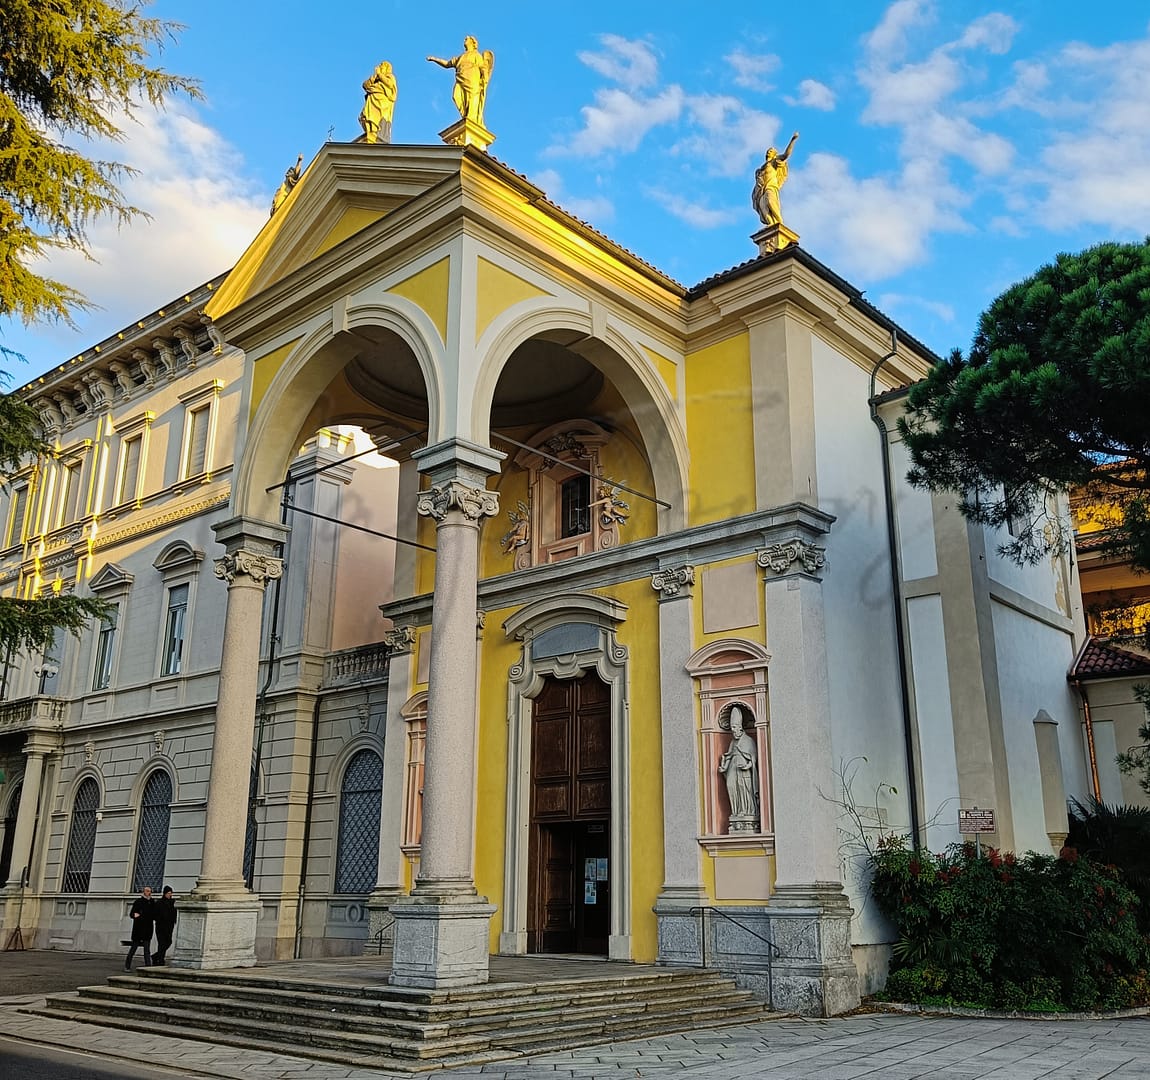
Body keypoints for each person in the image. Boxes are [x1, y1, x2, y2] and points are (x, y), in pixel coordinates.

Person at [427, 37, 494, 126]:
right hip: (461, 78)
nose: (464, 40)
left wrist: (484, 79)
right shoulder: (461, 57)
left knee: (472, 98)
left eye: (467, 39)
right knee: (456, 95)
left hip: (472, 78)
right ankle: (466, 116)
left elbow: (483, 68)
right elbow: (447, 64)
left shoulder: (476, 55)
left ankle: (471, 119)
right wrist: (434, 59)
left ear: (472, 43)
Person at [718, 705, 759, 831]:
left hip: (744, 771)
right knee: (731, 786)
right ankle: (735, 811)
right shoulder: (732, 742)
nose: (733, 730)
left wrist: (748, 765)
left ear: (740, 727)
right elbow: (729, 755)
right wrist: (724, 767)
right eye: (732, 728)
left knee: (744, 789)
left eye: (735, 727)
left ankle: (747, 812)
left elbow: (753, 757)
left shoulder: (748, 740)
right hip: (733, 769)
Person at [752, 131, 800, 228]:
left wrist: (793, 140)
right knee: (763, 208)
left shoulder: (774, 162)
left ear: (774, 154)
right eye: (768, 150)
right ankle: (771, 225)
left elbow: (786, 155)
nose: (769, 151)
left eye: (772, 150)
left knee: (770, 201)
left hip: (771, 187)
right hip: (761, 190)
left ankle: (779, 222)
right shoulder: (760, 169)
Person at [359, 61, 398, 144]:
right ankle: (370, 133)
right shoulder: (375, 79)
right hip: (372, 100)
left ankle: (375, 135)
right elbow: (365, 85)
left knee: (379, 120)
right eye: (379, 66)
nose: (379, 68)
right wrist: (373, 78)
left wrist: (380, 75)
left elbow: (390, 84)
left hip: (382, 102)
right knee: (365, 117)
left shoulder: (389, 76)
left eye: (382, 66)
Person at [125, 885, 155, 970]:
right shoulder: (138, 901)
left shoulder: (152, 902)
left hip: (148, 929)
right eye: (147, 891)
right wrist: (135, 915)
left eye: (150, 891)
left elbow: (154, 914)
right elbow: (132, 913)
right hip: (138, 929)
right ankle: (127, 966)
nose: (149, 893)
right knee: (133, 948)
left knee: (147, 950)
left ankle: (148, 966)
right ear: (144, 892)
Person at [152, 885, 177, 965]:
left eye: (171, 893)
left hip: (169, 925)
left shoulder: (172, 902)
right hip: (161, 926)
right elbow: (155, 914)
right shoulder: (159, 902)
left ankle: (156, 956)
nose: (170, 895)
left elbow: (174, 913)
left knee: (168, 942)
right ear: (165, 893)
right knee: (161, 943)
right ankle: (160, 959)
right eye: (168, 893)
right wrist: (160, 919)